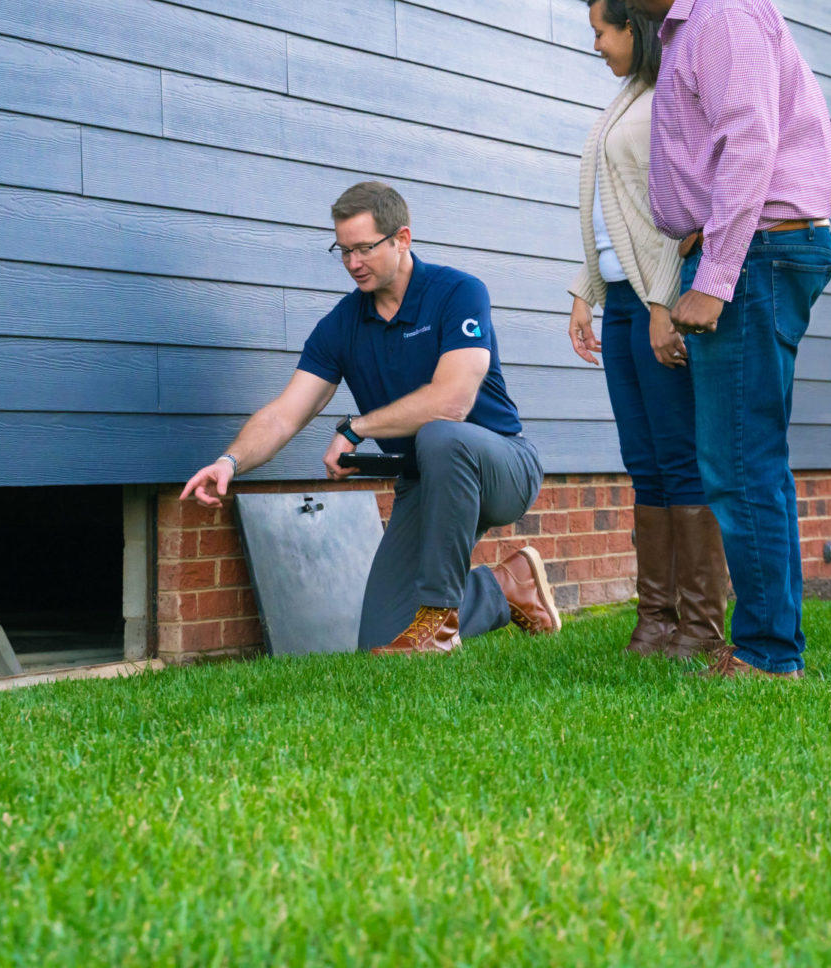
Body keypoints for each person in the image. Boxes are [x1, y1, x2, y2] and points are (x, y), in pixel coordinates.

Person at [602, 0, 831, 680]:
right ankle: (766, 644)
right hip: (749, 252)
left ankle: (771, 656)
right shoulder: (691, 27)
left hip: (759, 255)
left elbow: (750, 146)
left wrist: (714, 279)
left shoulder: (722, 11)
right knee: (734, 460)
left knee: (741, 462)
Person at [181, 182, 561, 655]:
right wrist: (229, 462)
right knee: (381, 643)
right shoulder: (342, 325)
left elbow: (452, 403)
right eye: (343, 251)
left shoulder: (458, 292)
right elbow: (285, 413)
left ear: (402, 238)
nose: (353, 263)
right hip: (424, 483)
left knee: (443, 435)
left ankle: (440, 625)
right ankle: (505, 586)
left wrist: (355, 428)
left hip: (500, 466)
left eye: (364, 248)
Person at [568, 0, 728, 659]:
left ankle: (698, 626)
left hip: (658, 298)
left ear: (634, 26)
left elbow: (674, 214)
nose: (596, 44)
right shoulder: (628, 96)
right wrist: (585, 286)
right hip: (623, 300)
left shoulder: (670, 96)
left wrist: (665, 301)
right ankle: (656, 621)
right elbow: (614, 206)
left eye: (603, 31)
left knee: (679, 459)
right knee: (645, 463)